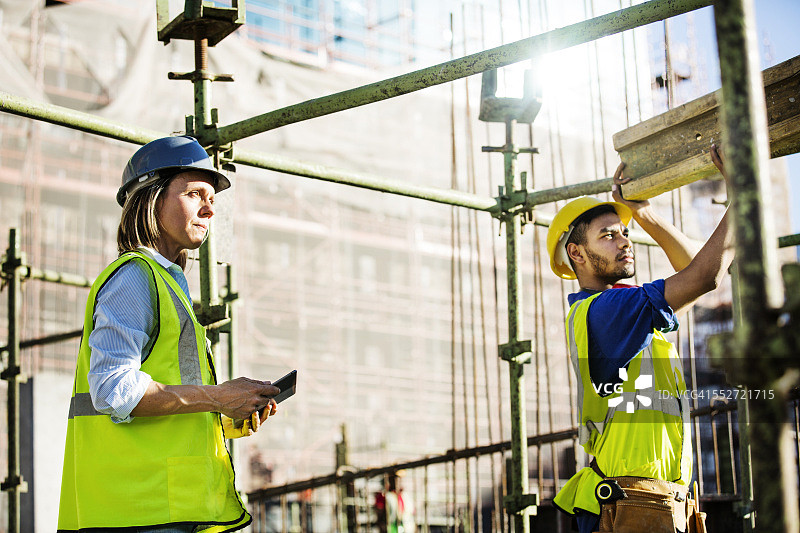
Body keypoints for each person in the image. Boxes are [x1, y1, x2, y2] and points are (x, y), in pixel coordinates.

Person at [58, 135, 280, 532]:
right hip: (137, 512)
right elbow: (113, 389)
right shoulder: (134, 278)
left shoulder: (167, 285)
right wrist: (216, 396)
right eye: (195, 194)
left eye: (212, 199)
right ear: (150, 198)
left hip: (164, 508)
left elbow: (170, 404)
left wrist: (226, 412)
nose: (209, 209)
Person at [550, 146, 733, 533]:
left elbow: (697, 274)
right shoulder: (607, 310)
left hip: (655, 502)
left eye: (625, 233)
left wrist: (644, 213)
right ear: (576, 253)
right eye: (608, 236)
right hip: (631, 505)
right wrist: (744, 194)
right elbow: (703, 276)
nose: (625, 242)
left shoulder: (624, 317)